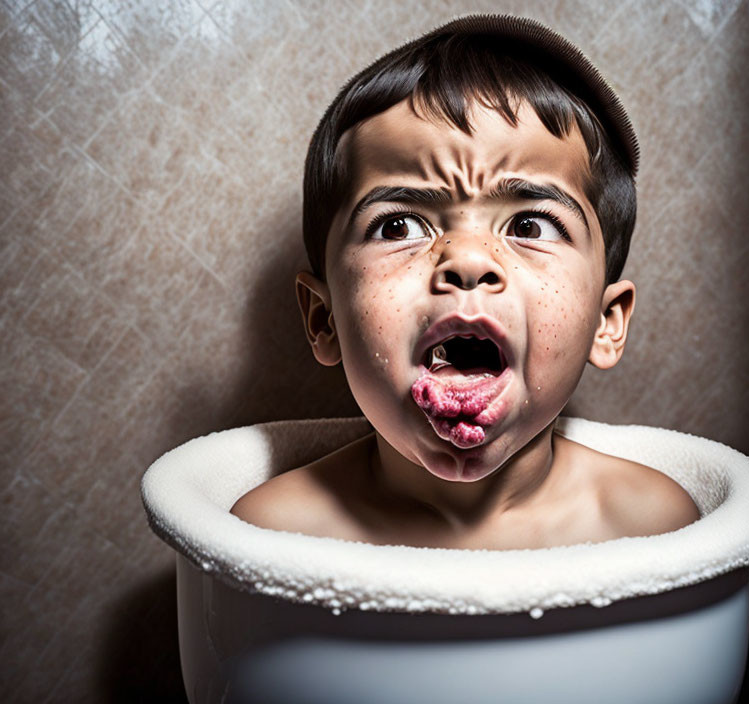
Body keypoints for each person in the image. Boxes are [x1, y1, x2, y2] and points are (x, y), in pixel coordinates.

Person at [231, 13, 700, 549]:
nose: (470, 260)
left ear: (605, 322)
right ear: (324, 319)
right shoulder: (268, 537)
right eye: (398, 226)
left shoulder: (655, 528)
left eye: (530, 225)